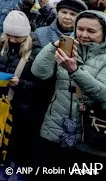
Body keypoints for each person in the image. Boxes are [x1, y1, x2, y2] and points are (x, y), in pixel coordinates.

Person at [31, 10, 106, 165]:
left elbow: (103, 93)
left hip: (89, 134)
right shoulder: (69, 47)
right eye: (80, 29)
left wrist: (74, 71)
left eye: (91, 31)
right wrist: (53, 46)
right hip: (55, 126)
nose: (84, 35)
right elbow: (39, 72)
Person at [0, 11, 43, 181]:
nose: (14, 40)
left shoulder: (37, 53)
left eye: (18, 37)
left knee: (18, 149)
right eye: (10, 35)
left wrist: (21, 84)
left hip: (22, 110)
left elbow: (42, 86)